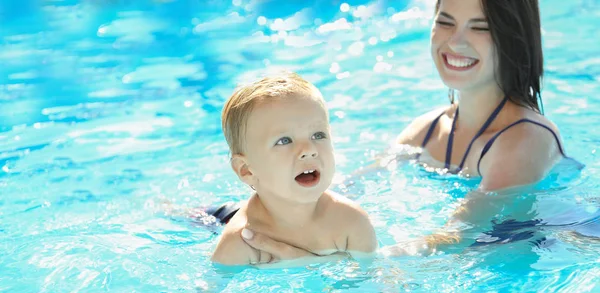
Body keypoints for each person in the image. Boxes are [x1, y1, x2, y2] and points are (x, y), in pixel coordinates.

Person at [207, 0, 584, 262]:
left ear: (514, 38)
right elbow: (350, 187)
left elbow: (458, 239)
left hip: (515, 249)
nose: (455, 41)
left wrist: (336, 261)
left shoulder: (522, 140)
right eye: (445, 21)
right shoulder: (428, 129)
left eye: (480, 27)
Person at [209, 72, 378, 266]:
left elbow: (370, 280)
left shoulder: (352, 222)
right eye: (284, 140)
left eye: (318, 135)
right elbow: (209, 292)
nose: (308, 150)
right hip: (221, 217)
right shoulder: (241, 242)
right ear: (247, 170)